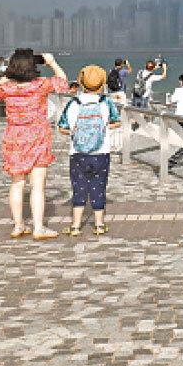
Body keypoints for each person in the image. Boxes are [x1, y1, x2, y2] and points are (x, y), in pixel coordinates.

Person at [0, 49, 69, 240]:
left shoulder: (7, 88)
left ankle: (18, 225)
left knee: (17, 183)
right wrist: (51, 62)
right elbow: (63, 83)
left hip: (14, 137)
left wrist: (11, 72)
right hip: (38, 137)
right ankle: (38, 228)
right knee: (38, 185)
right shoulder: (41, 85)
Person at [56, 65, 120, 237]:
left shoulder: (73, 103)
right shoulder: (106, 102)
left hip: (77, 153)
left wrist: (75, 132)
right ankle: (99, 225)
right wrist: (104, 127)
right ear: (102, 84)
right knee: (99, 186)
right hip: (101, 153)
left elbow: (62, 128)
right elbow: (117, 122)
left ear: (81, 83)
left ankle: (75, 226)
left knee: (79, 188)